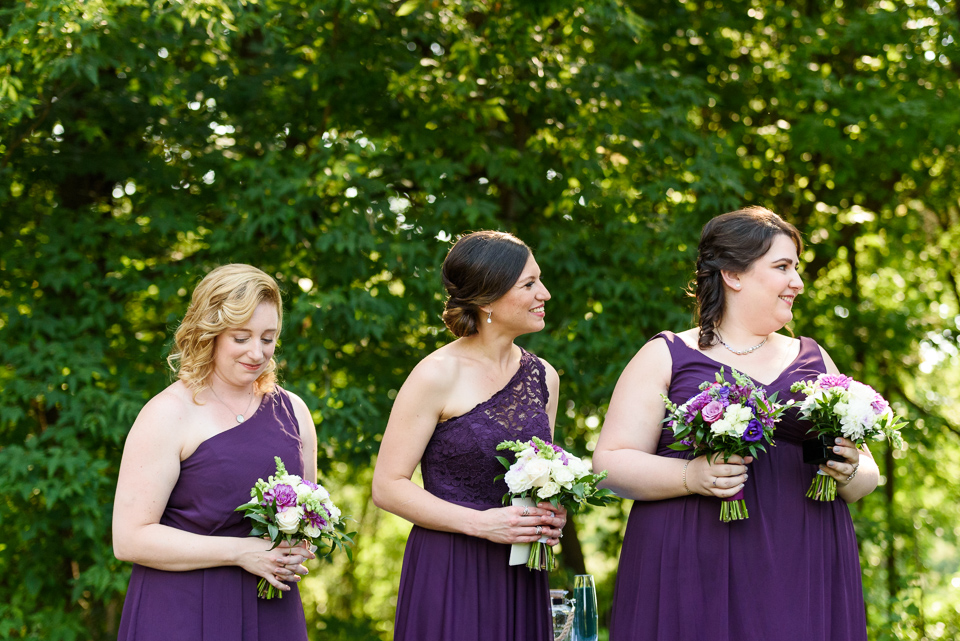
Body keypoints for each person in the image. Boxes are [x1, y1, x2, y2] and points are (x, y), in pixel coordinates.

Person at [593, 207, 877, 641]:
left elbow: (865, 476)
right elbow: (609, 463)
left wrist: (850, 469)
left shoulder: (814, 358)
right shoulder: (667, 354)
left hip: (802, 562)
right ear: (733, 274)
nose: (797, 282)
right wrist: (692, 475)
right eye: (782, 267)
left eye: (796, 268)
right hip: (692, 564)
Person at [372, 230, 567, 641]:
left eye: (540, 280)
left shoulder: (544, 377)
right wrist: (481, 525)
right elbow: (387, 487)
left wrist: (550, 515)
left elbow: (540, 477)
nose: (544, 294)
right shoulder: (435, 374)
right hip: (449, 569)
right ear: (486, 300)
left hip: (521, 570)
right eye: (529, 284)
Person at [113, 264, 319, 641]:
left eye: (268, 338)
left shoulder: (295, 412)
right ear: (209, 334)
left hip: (272, 608)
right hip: (181, 610)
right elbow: (129, 539)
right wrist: (240, 552)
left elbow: (308, 521)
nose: (257, 352)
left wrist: (298, 547)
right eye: (241, 338)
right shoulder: (168, 414)